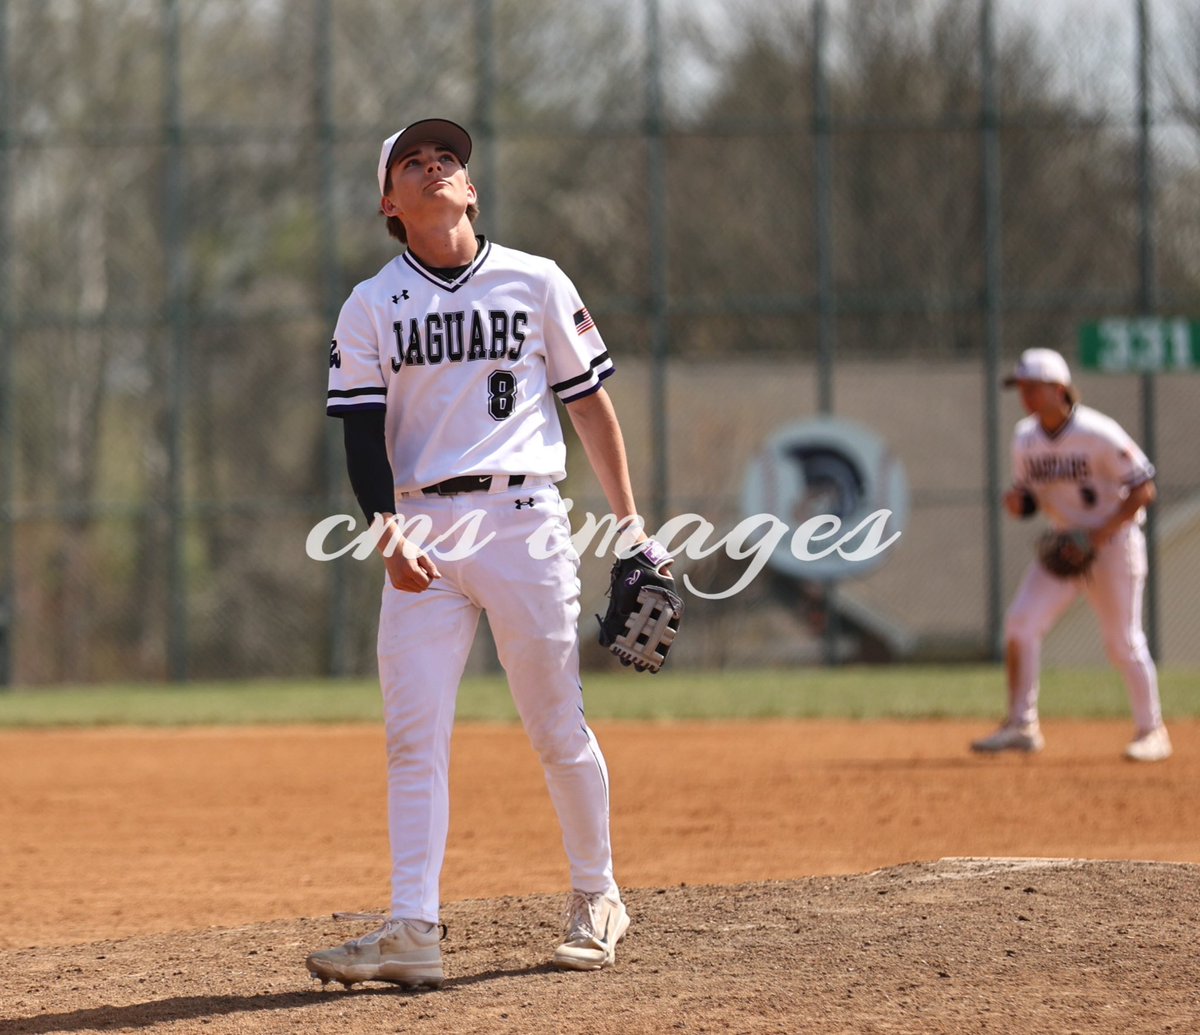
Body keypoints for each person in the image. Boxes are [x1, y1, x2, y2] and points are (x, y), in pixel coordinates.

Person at [307, 118, 662, 988]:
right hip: (422, 529)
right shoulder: (371, 303)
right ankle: (412, 928)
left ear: (471, 189)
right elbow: (359, 433)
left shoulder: (534, 279)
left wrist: (633, 532)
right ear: (390, 202)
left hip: (524, 519)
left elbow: (590, 411)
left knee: (554, 723)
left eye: (450, 160)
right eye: (414, 163)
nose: (437, 168)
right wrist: (384, 529)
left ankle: (596, 895)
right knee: (412, 734)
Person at [971, 347, 1171, 763]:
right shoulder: (1025, 438)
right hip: (1065, 546)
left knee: (1122, 642)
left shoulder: (1098, 432)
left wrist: (1097, 536)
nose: (1024, 395)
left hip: (1114, 546)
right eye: (1020, 387)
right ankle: (1021, 726)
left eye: (1032, 386)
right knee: (1021, 623)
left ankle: (1153, 731)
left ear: (1059, 389)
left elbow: (1143, 489)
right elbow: (1028, 498)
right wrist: (1018, 503)